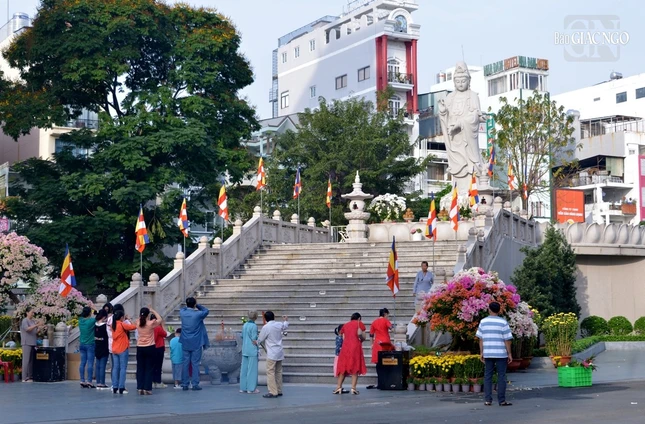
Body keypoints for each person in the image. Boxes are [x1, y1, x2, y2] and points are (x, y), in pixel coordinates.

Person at [476, 301, 513, 407]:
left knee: (488, 376)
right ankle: (502, 400)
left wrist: (481, 352)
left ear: (489, 309)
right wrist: (509, 353)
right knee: (501, 376)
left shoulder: (483, 322)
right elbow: (507, 340)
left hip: (488, 352)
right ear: (499, 310)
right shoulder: (503, 322)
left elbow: (481, 339)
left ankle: (488, 400)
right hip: (501, 353)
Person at [179, 297, 210, 391]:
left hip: (185, 341)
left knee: (185, 363)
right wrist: (197, 305)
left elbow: (183, 308)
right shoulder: (198, 314)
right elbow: (206, 310)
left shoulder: (182, 313)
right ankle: (195, 384)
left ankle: (185, 384)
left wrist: (191, 304)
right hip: (196, 341)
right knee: (195, 363)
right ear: (194, 304)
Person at [257, 311, 289, 399]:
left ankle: (272, 391)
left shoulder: (266, 327)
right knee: (278, 371)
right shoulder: (278, 324)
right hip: (279, 351)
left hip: (272, 352)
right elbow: (285, 326)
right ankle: (279, 390)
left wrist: (256, 342)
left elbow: (260, 339)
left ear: (265, 319)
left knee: (270, 371)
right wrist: (286, 320)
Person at [334, 312, 367, 395]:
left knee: (343, 367)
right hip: (355, 347)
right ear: (359, 318)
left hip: (345, 347)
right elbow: (363, 337)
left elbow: (342, 335)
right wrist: (361, 339)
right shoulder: (359, 323)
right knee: (355, 367)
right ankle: (353, 388)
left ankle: (338, 387)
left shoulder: (346, 325)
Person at [136, 306, 162, 395]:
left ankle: (140, 387)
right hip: (150, 347)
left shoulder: (138, 322)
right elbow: (160, 319)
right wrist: (153, 310)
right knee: (149, 368)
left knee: (140, 368)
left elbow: (139, 319)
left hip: (140, 347)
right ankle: (147, 388)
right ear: (148, 315)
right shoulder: (151, 323)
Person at [111, 310, 136, 394]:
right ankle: (121, 387)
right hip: (122, 348)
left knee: (115, 368)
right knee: (123, 368)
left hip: (114, 348)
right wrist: (129, 319)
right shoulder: (122, 325)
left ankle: (115, 387)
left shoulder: (113, 325)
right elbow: (133, 327)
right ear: (121, 317)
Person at [369, 308, 393, 387]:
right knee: (387, 362)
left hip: (377, 343)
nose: (388, 316)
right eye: (387, 315)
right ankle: (387, 381)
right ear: (385, 314)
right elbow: (391, 328)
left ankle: (380, 382)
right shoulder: (386, 321)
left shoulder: (374, 322)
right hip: (385, 343)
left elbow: (371, 335)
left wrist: (371, 344)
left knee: (378, 363)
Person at [20, 307, 42, 382]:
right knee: (26, 361)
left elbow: (34, 332)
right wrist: (36, 325)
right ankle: (24, 377)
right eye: (31, 312)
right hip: (26, 342)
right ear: (27, 313)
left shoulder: (32, 321)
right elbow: (27, 329)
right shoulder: (25, 320)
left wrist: (40, 328)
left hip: (32, 342)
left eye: (33, 312)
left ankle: (30, 377)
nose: (33, 314)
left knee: (30, 361)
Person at [240, 310, 260, 394]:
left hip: (245, 348)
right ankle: (251, 388)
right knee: (252, 369)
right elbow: (254, 338)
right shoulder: (254, 326)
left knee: (244, 369)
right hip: (252, 349)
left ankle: (243, 387)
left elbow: (242, 336)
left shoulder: (244, 325)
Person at [78, 306, 96, 388]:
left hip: (82, 344)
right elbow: (98, 317)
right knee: (90, 363)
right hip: (90, 344)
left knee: (82, 363)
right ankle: (89, 381)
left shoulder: (80, 321)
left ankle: (82, 380)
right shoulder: (91, 321)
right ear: (89, 313)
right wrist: (95, 310)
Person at [94, 309, 110, 389]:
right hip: (104, 347)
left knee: (98, 365)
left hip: (97, 346)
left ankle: (98, 382)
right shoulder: (105, 326)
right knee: (102, 366)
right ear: (104, 317)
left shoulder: (95, 325)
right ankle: (102, 383)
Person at [152, 317, 168, 389]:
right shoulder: (158, 327)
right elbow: (165, 334)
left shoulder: (151, 327)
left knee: (153, 365)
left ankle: (153, 381)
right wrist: (163, 325)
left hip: (152, 347)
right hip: (159, 347)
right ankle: (158, 381)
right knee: (158, 366)